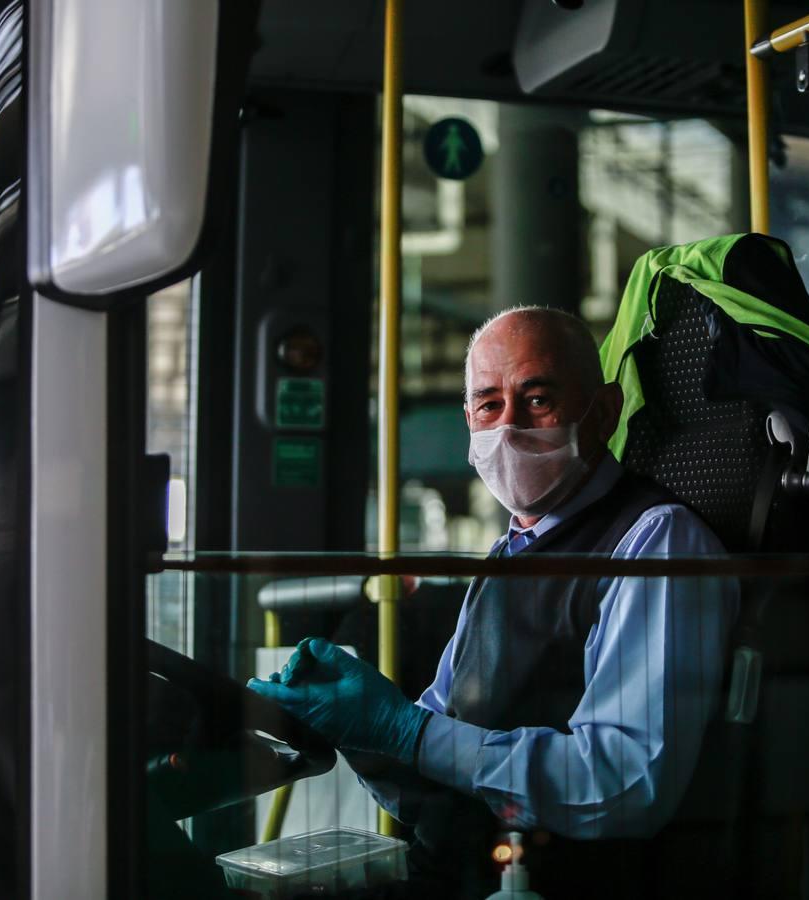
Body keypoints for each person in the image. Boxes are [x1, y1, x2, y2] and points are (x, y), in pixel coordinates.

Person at [249, 307, 738, 897]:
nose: (508, 426)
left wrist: (402, 731)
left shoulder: (655, 542)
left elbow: (626, 781)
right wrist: (355, 728)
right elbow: (442, 746)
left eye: (537, 399)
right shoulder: (511, 552)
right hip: (468, 872)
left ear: (604, 412)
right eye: (489, 404)